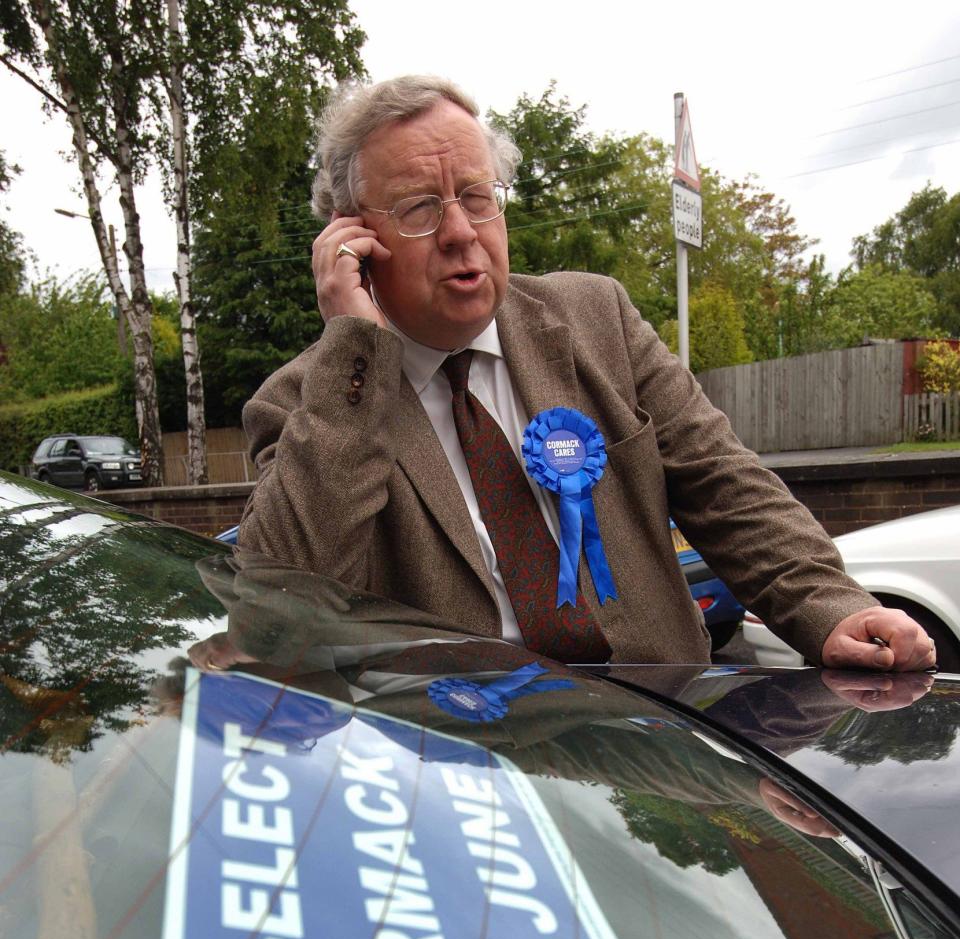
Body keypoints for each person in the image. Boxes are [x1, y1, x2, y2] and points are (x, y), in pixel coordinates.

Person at [238, 74, 935, 673]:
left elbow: (726, 485)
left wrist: (832, 608)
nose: (460, 232)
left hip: (660, 740)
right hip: (462, 766)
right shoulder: (311, 401)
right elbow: (279, 616)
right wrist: (354, 344)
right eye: (421, 208)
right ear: (350, 235)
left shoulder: (594, 318)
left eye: (478, 197)